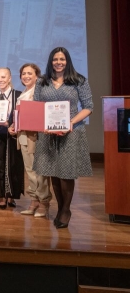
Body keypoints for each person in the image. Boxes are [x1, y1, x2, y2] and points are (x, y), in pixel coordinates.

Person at [34, 47, 93, 229]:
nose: (59, 62)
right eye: (55, 59)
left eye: (62, 59)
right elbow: (37, 107)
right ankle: (60, 207)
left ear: (67, 60)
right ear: (51, 61)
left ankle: (66, 210)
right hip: (48, 134)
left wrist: (70, 122)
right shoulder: (42, 82)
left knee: (66, 173)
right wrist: (42, 125)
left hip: (71, 132)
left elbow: (88, 106)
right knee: (53, 172)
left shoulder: (78, 80)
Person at [9, 63, 53, 217]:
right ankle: (34, 200)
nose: (26, 76)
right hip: (22, 135)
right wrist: (13, 126)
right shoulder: (23, 93)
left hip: (35, 136)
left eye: (29, 73)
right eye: (23, 74)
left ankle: (44, 202)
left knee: (39, 170)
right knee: (29, 170)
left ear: (37, 76)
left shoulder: (40, 92)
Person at [0, 67, 24, 209]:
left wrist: (11, 124)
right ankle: (1, 195)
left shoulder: (18, 96)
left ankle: (11, 195)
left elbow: (21, 115)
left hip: (12, 135)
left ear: (9, 78)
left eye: (3, 77)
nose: (0, 80)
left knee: (13, 165)